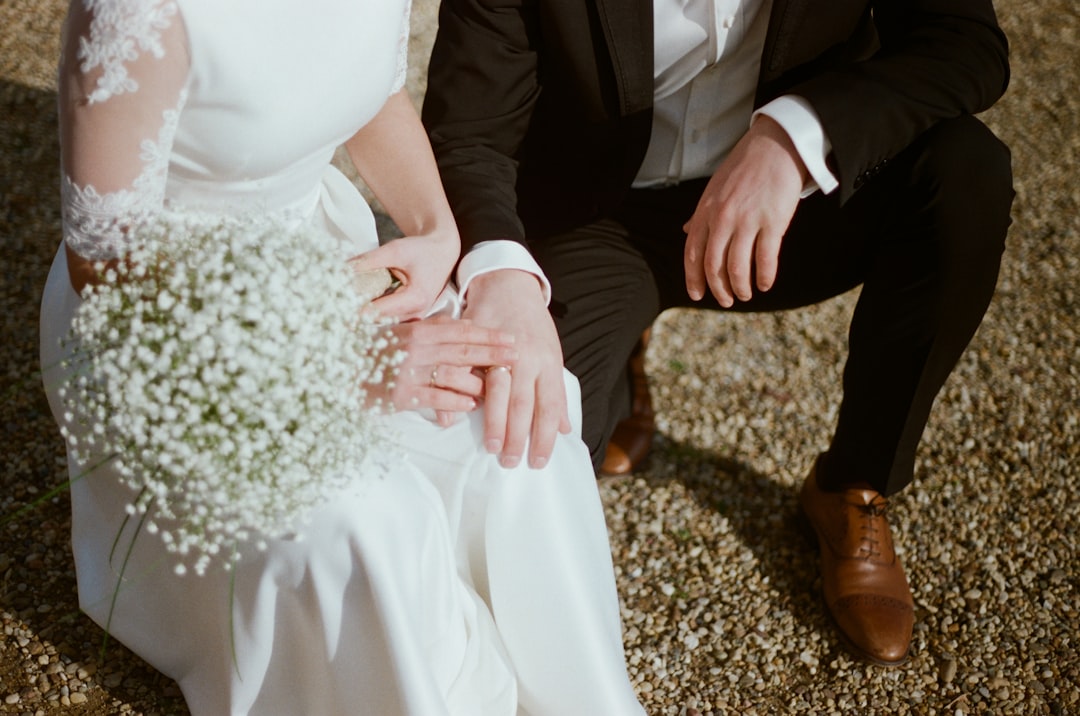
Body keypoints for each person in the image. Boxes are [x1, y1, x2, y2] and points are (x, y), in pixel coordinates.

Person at [39, 1, 646, 714]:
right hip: (181, 333)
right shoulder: (139, 14)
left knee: (512, 425)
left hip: (329, 256)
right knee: (364, 521)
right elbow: (107, 270)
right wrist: (331, 358)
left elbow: (373, 93)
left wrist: (436, 230)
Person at [422, 0, 1014, 666]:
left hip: (791, 210)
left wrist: (796, 137)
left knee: (967, 173)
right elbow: (469, 131)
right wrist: (503, 278)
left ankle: (853, 486)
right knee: (519, 458)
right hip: (597, 219)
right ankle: (623, 355)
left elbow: (968, 44)